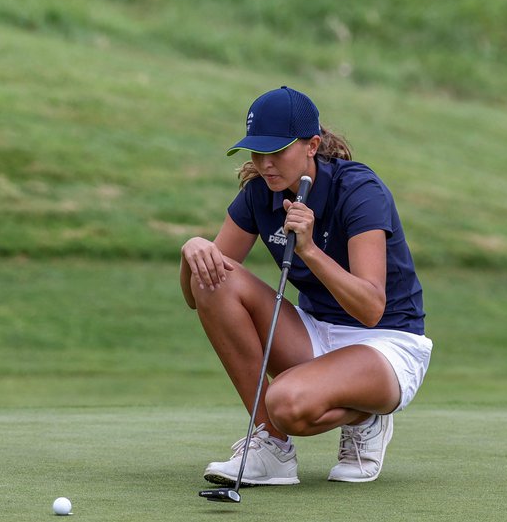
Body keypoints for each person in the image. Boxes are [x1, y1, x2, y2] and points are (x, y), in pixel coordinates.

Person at [180, 86, 432, 486]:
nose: (264, 164)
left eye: (276, 152)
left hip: (385, 344)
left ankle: (368, 415)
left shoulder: (359, 190)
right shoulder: (259, 196)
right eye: (256, 153)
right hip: (315, 335)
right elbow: (202, 294)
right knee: (216, 275)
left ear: (312, 145)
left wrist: (310, 250)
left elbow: (370, 308)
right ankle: (271, 449)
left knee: (286, 403)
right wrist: (192, 253)